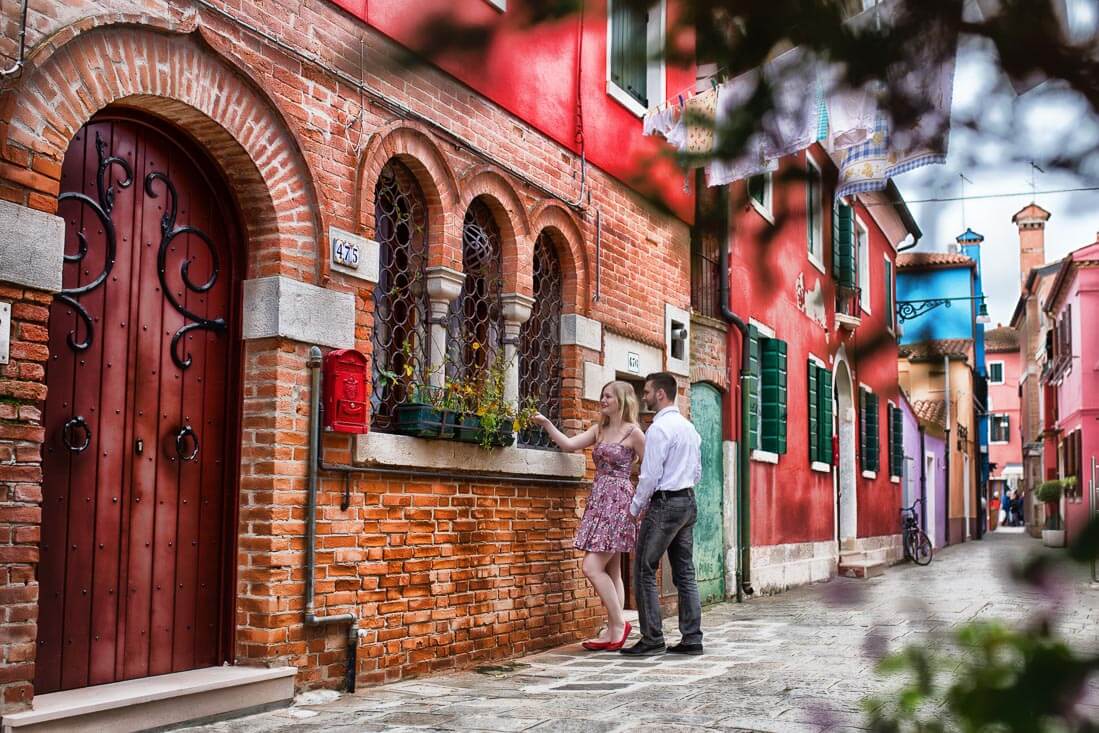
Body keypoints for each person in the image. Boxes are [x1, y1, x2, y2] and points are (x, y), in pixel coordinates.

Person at [531, 381, 645, 652]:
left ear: (622, 400)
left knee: (591, 567)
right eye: (601, 395)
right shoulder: (599, 430)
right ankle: (612, 626)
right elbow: (569, 445)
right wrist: (547, 424)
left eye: (608, 396)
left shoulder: (635, 433)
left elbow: (651, 469)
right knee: (612, 569)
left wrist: (641, 505)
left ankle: (618, 624)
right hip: (599, 500)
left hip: (619, 503)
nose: (602, 400)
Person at [620, 372, 704, 657]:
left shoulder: (658, 428)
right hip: (688, 501)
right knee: (685, 572)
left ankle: (652, 638)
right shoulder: (689, 428)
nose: (643, 396)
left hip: (665, 504)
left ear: (660, 394)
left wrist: (634, 508)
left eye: (646, 391)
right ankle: (692, 638)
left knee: (644, 568)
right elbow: (697, 472)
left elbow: (650, 474)